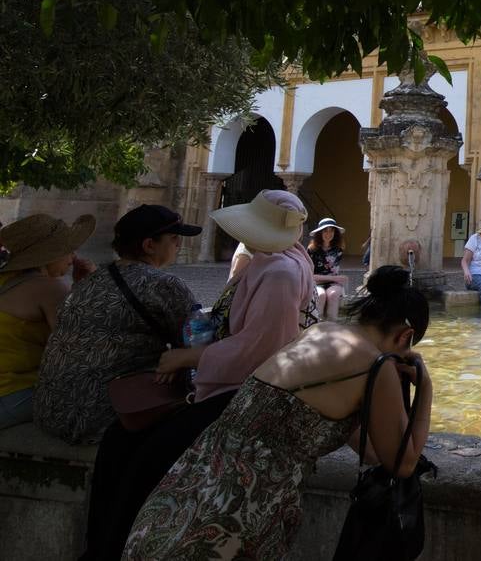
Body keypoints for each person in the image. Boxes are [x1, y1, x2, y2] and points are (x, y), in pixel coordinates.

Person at [122, 265, 433, 561]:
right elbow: (402, 463)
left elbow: (370, 450)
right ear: (405, 337)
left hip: (188, 489)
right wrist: (426, 387)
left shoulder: (319, 332)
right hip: (236, 515)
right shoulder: (376, 365)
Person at [80, 190, 315, 561]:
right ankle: (102, 546)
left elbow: (258, 351)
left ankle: (113, 549)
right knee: (119, 440)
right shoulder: (270, 262)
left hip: (244, 394)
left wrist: (187, 358)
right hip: (226, 383)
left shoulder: (280, 273)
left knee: (148, 460)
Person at [35, 205, 200, 445]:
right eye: (174, 238)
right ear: (149, 245)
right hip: (107, 415)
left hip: (52, 409)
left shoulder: (90, 280)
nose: (179, 245)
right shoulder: (165, 284)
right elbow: (199, 342)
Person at [0, 213, 95, 429]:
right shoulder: (49, 288)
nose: (73, 257)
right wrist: (88, 287)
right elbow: (77, 350)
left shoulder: (5, 279)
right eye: (68, 250)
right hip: (11, 393)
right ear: (49, 255)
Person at [307, 217, 349, 321]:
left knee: (333, 295)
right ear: (320, 233)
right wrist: (337, 278)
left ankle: (331, 326)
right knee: (321, 295)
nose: (328, 233)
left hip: (333, 283)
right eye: (325, 230)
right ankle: (317, 325)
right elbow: (309, 275)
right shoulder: (312, 250)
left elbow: (333, 272)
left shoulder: (338, 249)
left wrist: (335, 279)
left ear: (335, 233)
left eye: (331, 230)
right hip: (316, 282)